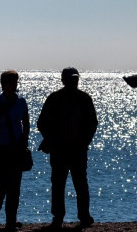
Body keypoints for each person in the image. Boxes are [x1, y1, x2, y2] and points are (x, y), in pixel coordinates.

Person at [37, 67, 98, 228]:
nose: (74, 82)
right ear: (63, 80)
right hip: (60, 150)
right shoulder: (55, 99)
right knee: (59, 184)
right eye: (71, 79)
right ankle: (58, 217)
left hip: (78, 150)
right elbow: (41, 122)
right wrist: (52, 140)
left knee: (79, 184)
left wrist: (84, 142)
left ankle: (83, 216)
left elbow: (92, 123)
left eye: (75, 79)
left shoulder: (85, 99)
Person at [0, 70, 30, 229]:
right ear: (3, 84)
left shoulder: (21, 102)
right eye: (10, 82)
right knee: (2, 181)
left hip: (15, 148)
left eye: (15, 82)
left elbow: (26, 123)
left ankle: (11, 220)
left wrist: (25, 139)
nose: (13, 85)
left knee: (15, 185)